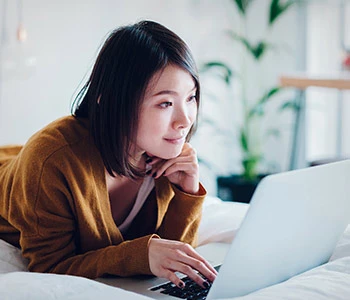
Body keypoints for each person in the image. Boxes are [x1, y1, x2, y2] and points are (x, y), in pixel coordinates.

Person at [0, 20, 217, 289]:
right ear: (112, 101)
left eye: (191, 97)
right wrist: (138, 255)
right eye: (165, 103)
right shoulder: (52, 161)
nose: (184, 121)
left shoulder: (163, 153)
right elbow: (49, 268)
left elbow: (172, 257)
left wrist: (187, 192)